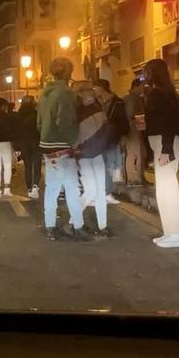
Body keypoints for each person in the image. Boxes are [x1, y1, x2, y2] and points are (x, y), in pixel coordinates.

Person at [38, 57, 87, 241]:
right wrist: (73, 142)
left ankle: (50, 226)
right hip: (63, 147)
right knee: (72, 188)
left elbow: (39, 123)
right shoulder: (66, 93)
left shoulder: (44, 94)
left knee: (52, 189)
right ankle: (78, 226)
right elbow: (64, 121)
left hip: (48, 146)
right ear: (67, 72)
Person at [142, 59, 179, 248]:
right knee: (164, 188)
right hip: (162, 142)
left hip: (165, 143)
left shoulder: (160, 95)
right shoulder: (163, 94)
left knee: (167, 189)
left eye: (147, 72)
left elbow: (169, 121)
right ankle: (170, 231)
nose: (145, 76)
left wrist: (166, 148)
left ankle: (175, 233)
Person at [74, 83, 111, 237]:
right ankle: (73, 221)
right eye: (87, 91)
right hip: (86, 153)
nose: (90, 94)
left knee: (98, 191)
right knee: (92, 191)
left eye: (91, 91)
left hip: (93, 153)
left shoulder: (96, 108)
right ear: (81, 94)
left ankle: (103, 226)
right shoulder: (82, 110)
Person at [93, 80, 127, 204]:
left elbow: (123, 121)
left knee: (110, 166)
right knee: (102, 166)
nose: (93, 91)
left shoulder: (117, 102)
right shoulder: (97, 103)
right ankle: (104, 192)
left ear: (102, 88)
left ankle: (107, 192)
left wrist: (123, 135)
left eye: (95, 88)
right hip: (100, 139)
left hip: (112, 138)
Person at [123, 78, 147, 189]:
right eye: (142, 86)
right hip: (134, 129)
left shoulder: (130, 98)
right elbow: (133, 115)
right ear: (136, 86)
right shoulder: (132, 99)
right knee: (135, 154)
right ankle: (134, 179)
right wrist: (141, 128)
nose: (143, 89)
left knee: (137, 153)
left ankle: (137, 177)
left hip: (132, 129)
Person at [15, 96, 41, 197]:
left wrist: (17, 147)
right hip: (36, 142)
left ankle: (29, 189)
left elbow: (16, 132)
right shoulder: (37, 114)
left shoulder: (18, 115)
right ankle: (35, 185)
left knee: (28, 166)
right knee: (37, 165)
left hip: (24, 143)